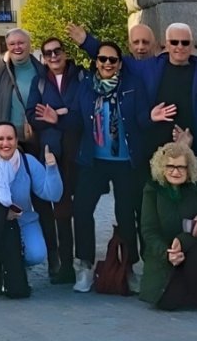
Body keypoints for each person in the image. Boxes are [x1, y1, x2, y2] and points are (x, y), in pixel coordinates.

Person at [69, 21, 197, 160]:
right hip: (155, 147)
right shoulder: (151, 67)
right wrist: (87, 42)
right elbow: (112, 59)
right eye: (174, 42)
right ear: (166, 45)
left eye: (185, 42)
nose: (180, 46)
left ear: (192, 45)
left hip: (194, 146)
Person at [68, 39, 145, 294]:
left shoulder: (132, 86)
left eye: (113, 60)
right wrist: (55, 119)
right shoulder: (86, 87)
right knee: (81, 209)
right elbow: (76, 118)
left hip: (125, 160)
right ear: (96, 62)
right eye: (102, 59)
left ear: (120, 64)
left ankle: (129, 267)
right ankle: (86, 265)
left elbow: (142, 118)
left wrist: (152, 118)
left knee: (126, 214)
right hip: (94, 159)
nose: (107, 64)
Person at [0, 122, 63, 297]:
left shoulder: (28, 162)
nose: (5, 143)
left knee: (37, 254)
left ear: (17, 140)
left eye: (10, 138)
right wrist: (1, 214)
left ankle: (10, 268)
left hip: (24, 220)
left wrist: (52, 168)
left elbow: (53, 194)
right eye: (0, 139)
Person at [25, 35, 81, 285]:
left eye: (57, 51)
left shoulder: (78, 78)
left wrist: (56, 116)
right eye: (48, 53)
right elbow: (32, 115)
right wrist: (59, 113)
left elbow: (82, 111)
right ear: (43, 58)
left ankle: (70, 263)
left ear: (65, 53)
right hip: (48, 153)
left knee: (67, 211)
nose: (53, 56)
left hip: (74, 152)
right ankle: (54, 260)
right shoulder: (39, 82)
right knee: (48, 210)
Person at [138, 141, 197, 311]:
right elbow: (149, 230)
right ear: (162, 167)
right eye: (170, 166)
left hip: (195, 247)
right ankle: (190, 288)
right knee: (167, 302)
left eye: (181, 167)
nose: (175, 171)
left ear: (189, 168)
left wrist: (181, 241)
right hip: (164, 252)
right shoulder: (151, 190)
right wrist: (168, 253)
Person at [0, 28, 41, 143]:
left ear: (29, 45)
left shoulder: (43, 72)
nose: (16, 47)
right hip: (8, 142)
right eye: (12, 44)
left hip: (38, 138)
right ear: (7, 46)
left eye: (21, 43)